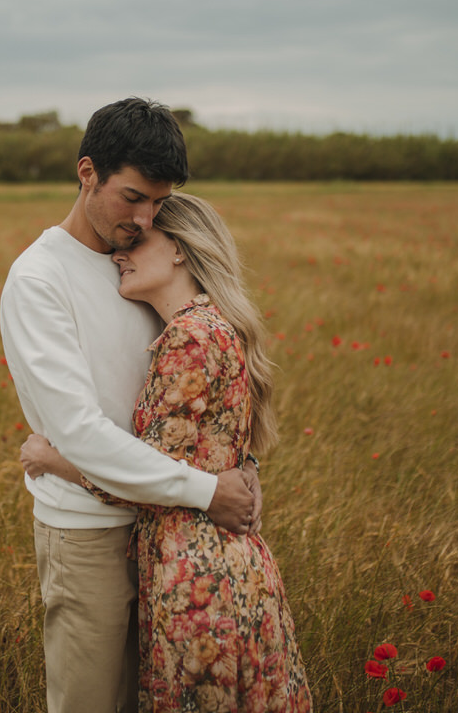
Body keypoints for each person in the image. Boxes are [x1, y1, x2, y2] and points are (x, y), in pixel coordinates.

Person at [0, 98, 263, 713]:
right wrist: (209, 490)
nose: (145, 219)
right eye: (133, 196)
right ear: (87, 172)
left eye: (159, 203)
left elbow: (199, 405)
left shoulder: (138, 270)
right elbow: (82, 434)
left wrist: (241, 473)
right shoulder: (40, 279)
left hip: (167, 536)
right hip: (89, 534)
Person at [21, 192, 312, 711]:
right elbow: (200, 456)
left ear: (179, 250)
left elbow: (154, 478)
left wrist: (51, 459)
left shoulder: (189, 339)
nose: (119, 253)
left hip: (197, 577)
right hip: (226, 564)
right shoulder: (210, 325)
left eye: (140, 240)